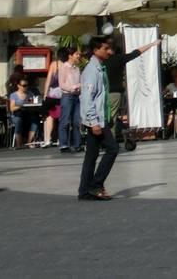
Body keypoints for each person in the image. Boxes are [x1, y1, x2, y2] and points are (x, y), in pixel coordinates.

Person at [79, 35, 157, 201]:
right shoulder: (92, 71)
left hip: (100, 118)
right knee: (113, 149)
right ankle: (96, 185)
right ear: (96, 50)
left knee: (91, 155)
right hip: (97, 120)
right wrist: (93, 122)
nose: (109, 51)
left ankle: (84, 190)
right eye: (105, 48)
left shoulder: (100, 68)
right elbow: (87, 98)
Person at [56, 47, 83, 154]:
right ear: (70, 55)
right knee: (65, 120)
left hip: (77, 96)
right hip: (67, 96)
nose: (79, 56)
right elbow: (61, 84)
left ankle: (77, 144)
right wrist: (72, 88)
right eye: (76, 54)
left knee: (77, 121)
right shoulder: (63, 67)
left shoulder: (77, 68)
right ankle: (63, 144)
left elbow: (81, 81)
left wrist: (79, 87)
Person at [8, 75, 39, 147]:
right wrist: (21, 106)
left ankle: (29, 142)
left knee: (35, 120)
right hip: (17, 114)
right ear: (18, 86)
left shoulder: (30, 94)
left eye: (27, 85)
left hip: (28, 113)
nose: (26, 87)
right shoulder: (14, 95)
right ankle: (19, 143)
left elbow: (34, 105)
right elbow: (12, 108)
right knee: (18, 120)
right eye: (24, 85)